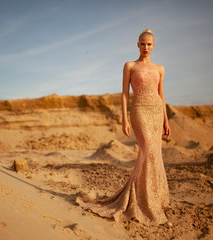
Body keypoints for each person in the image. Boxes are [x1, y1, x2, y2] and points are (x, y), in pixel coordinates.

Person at [76, 29, 170, 225]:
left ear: (154, 46)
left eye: (149, 44)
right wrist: (124, 119)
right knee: (149, 152)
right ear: (137, 45)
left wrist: (165, 121)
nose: (146, 47)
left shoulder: (160, 68)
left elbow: (162, 96)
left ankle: (153, 198)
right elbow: (125, 94)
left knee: (153, 155)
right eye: (142, 44)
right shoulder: (130, 65)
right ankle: (144, 202)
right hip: (139, 110)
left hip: (156, 111)